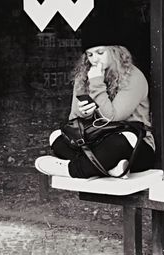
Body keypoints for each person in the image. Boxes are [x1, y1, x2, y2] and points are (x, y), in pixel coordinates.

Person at [35, 30, 155, 179]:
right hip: (96, 139)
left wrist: (97, 81)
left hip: (134, 145)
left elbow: (113, 117)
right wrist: (84, 113)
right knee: (57, 137)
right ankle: (111, 167)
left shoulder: (133, 76)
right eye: (90, 55)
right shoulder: (84, 76)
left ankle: (71, 170)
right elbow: (73, 119)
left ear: (115, 51)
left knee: (119, 141)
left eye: (100, 52)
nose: (95, 59)